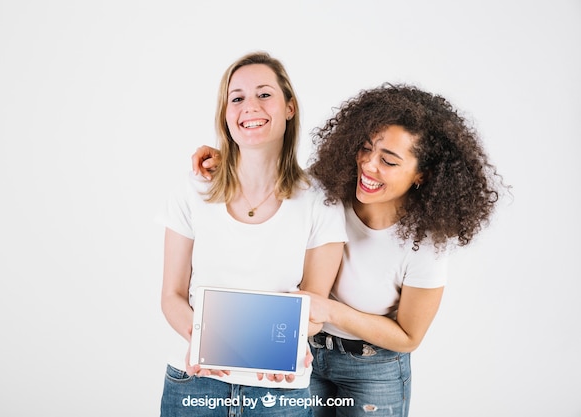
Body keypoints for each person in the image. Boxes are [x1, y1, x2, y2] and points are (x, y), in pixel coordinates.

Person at [192, 83, 504, 417]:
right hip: (304, 351)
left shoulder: (424, 246)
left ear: (422, 176)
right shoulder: (326, 195)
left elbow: (409, 337)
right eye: (366, 149)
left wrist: (329, 311)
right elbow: (275, 182)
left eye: (389, 161)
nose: (369, 166)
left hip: (374, 370)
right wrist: (229, 162)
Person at [160, 51, 346, 417]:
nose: (250, 107)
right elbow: (172, 295)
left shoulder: (320, 200)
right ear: (225, 113)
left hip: (278, 391)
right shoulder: (193, 190)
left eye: (264, 94)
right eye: (237, 98)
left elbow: (313, 308)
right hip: (194, 382)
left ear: (289, 107)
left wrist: (241, 345)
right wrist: (202, 340)